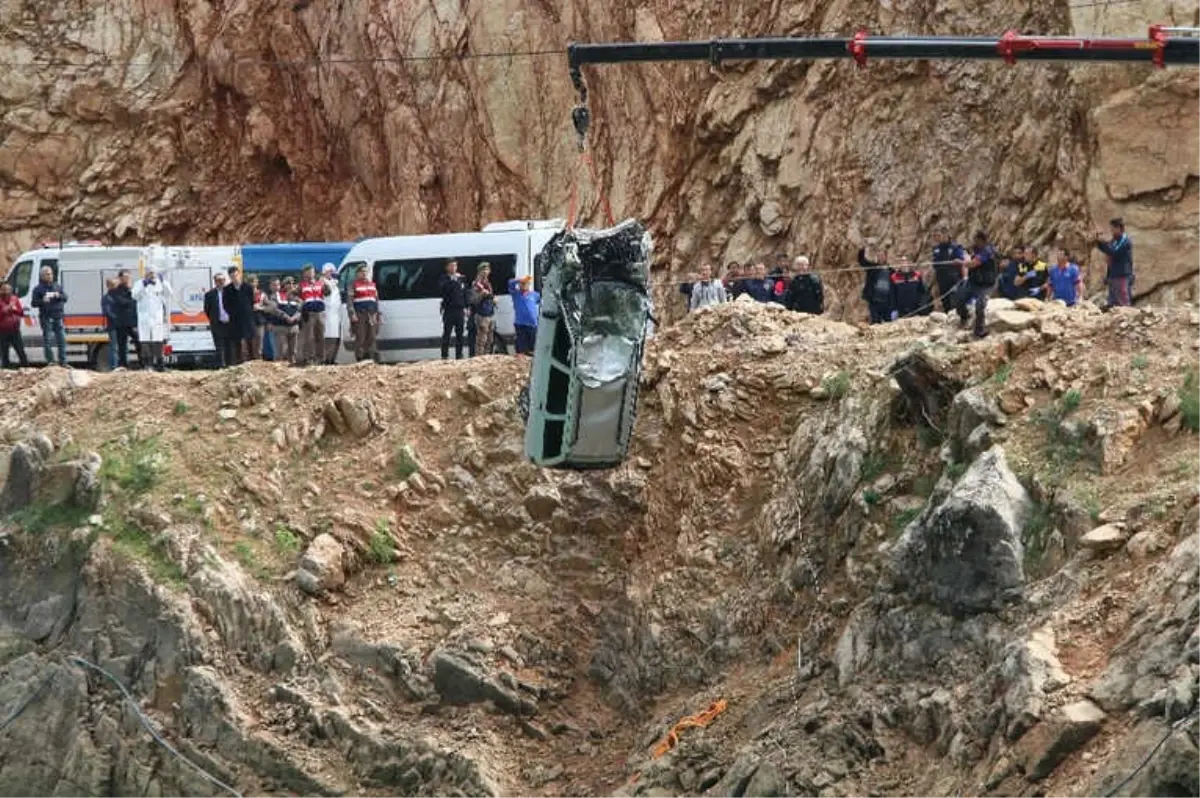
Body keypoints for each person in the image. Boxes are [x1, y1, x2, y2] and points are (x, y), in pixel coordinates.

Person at [956, 230, 998, 339]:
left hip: (985, 285)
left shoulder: (988, 251)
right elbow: (968, 255)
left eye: (976, 240)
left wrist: (961, 262)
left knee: (979, 305)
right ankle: (964, 317)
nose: (974, 242)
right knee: (959, 299)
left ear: (982, 240)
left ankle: (979, 330)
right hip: (973, 282)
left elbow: (973, 264)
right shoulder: (976, 249)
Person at [132, 266, 172, 371]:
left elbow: (169, 294)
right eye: (149, 273)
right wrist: (144, 285)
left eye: (153, 273)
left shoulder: (160, 283)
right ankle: (148, 365)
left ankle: (160, 364)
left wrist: (164, 282)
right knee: (145, 342)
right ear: (145, 274)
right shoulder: (139, 283)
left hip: (157, 317)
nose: (152, 275)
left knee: (158, 342)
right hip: (144, 318)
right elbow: (135, 296)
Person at [30, 265, 68, 365]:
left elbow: (65, 297)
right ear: (42, 276)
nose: (50, 276)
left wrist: (58, 295)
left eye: (51, 274)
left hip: (58, 316)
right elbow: (33, 303)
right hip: (46, 317)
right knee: (48, 340)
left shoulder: (57, 286)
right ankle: (51, 361)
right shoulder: (38, 289)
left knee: (62, 340)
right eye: (47, 274)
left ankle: (63, 362)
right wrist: (42, 300)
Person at [1095, 217, 1134, 307]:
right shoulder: (1115, 241)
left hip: (1122, 274)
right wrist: (1098, 242)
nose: (1111, 231)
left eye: (1112, 229)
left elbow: (1114, 252)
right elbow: (1108, 248)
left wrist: (1102, 243)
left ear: (1119, 228)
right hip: (1113, 274)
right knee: (1112, 301)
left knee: (1123, 301)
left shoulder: (1125, 241)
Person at [223, 265, 255, 365]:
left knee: (250, 340)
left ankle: (252, 360)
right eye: (232, 276)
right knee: (237, 342)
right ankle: (239, 362)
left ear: (239, 275)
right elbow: (225, 304)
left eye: (236, 275)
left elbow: (251, 301)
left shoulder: (248, 287)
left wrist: (247, 311)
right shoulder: (227, 289)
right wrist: (232, 313)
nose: (234, 278)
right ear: (229, 277)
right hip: (235, 319)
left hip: (247, 318)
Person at [348, 265, 380, 362]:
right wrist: (352, 314)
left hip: (372, 314)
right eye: (362, 271)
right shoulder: (353, 285)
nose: (364, 273)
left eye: (366, 271)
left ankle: (370, 357)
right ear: (357, 273)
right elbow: (350, 301)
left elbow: (376, 300)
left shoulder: (372, 284)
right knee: (361, 336)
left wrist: (378, 313)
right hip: (360, 314)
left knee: (372, 336)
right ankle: (360, 358)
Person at [266, 278, 301, 363]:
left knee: (293, 353)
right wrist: (285, 316)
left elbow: (300, 309)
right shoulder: (275, 295)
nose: (291, 285)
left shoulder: (297, 297)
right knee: (281, 352)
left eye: (293, 283)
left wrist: (294, 317)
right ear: (284, 285)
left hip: (293, 328)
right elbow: (274, 309)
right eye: (288, 283)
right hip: (280, 327)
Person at [298, 263, 328, 364]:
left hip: (320, 312)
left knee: (321, 336)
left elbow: (328, 292)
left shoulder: (320, 283)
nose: (311, 273)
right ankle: (309, 358)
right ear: (304, 274)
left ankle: (321, 358)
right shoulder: (301, 285)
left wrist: (325, 283)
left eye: (312, 271)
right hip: (309, 313)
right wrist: (300, 303)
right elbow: (291, 295)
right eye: (308, 272)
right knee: (309, 337)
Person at [931, 228, 967, 313]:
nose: (937, 238)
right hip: (942, 278)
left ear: (945, 235)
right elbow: (935, 263)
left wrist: (964, 277)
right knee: (945, 301)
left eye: (938, 236)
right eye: (935, 236)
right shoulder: (936, 249)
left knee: (955, 299)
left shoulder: (955, 247)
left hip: (954, 277)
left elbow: (961, 262)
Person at [438, 260, 468, 360]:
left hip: (460, 309)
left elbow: (464, 293)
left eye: (455, 265)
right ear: (447, 267)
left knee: (460, 333)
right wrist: (452, 280)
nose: (454, 267)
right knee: (447, 333)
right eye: (451, 265)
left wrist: (466, 307)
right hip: (449, 310)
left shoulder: (462, 278)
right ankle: (444, 355)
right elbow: (443, 290)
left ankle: (459, 355)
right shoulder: (444, 279)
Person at [858, 241, 892, 324]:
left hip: (887, 302)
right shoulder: (872, 268)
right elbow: (862, 261)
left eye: (882, 256)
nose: (881, 257)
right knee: (875, 322)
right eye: (879, 256)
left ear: (885, 257)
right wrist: (864, 248)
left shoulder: (891, 271)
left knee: (888, 324)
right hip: (874, 301)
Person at [204, 272, 233, 368]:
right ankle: (221, 365)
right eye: (218, 280)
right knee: (219, 345)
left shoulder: (231, 292)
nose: (221, 282)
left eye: (222, 280)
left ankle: (230, 364)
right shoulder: (209, 294)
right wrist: (215, 318)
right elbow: (207, 310)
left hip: (230, 323)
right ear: (215, 282)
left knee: (230, 345)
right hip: (217, 323)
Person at [110, 271, 138, 369]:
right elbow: (122, 302)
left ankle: (143, 363)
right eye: (125, 277)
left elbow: (137, 303)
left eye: (129, 277)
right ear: (120, 278)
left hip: (133, 323)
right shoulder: (115, 291)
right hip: (121, 323)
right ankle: (123, 365)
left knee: (139, 342)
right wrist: (131, 299)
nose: (127, 279)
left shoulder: (133, 290)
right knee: (122, 345)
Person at [508, 274, 540, 355]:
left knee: (533, 347)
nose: (524, 285)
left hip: (532, 324)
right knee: (522, 348)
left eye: (526, 283)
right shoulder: (516, 294)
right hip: (520, 324)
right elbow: (510, 283)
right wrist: (520, 280)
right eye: (522, 284)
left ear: (529, 285)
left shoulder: (535, 295)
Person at [470, 263, 496, 356]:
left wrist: (494, 300)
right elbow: (473, 300)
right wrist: (481, 295)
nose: (485, 272)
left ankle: (487, 356)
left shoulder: (488, 283)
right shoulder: (476, 283)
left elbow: (490, 296)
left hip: (490, 313)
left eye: (487, 270)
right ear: (479, 271)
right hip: (482, 314)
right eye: (483, 270)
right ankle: (480, 357)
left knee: (490, 339)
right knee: (482, 339)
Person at [0, 282, 28, 369]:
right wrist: (5, 310)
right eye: (4, 289)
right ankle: (6, 368)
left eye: (8, 289)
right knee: (4, 352)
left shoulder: (15, 299)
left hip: (15, 329)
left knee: (20, 350)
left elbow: (21, 313)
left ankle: (25, 367)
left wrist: (14, 309)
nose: (6, 291)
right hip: (2, 330)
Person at [320, 263, 342, 364]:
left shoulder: (334, 283)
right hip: (327, 313)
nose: (332, 274)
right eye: (330, 272)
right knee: (328, 338)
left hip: (335, 314)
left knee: (335, 338)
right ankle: (326, 360)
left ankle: (332, 359)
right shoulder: (322, 282)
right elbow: (326, 292)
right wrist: (331, 284)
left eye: (332, 272)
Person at [248, 274, 267, 361]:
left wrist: (260, 307)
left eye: (254, 281)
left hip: (259, 322)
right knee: (248, 345)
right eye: (250, 281)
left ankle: (258, 363)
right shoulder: (243, 293)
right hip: (247, 322)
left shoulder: (262, 294)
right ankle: (247, 363)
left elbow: (270, 307)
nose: (252, 284)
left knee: (259, 344)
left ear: (257, 282)